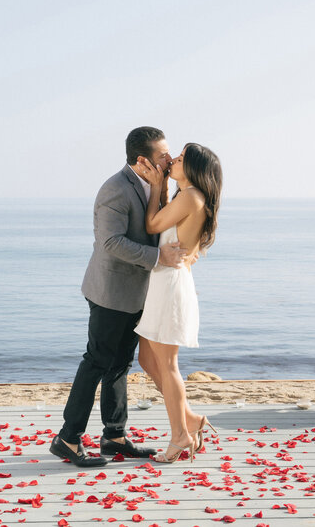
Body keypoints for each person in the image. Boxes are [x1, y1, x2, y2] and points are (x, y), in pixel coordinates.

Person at [50, 127, 187, 467]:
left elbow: (155, 224)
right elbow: (111, 243)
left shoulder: (154, 185)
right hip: (110, 292)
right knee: (96, 361)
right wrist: (159, 258)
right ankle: (67, 438)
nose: (168, 160)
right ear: (142, 161)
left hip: (136, 293)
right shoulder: (115, 189)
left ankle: (114, 435)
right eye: (162, 156)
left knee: (120, 366)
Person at [135, 143, 223, 463]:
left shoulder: (190, 196)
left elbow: (152, 225)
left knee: (168, 364)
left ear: (196, 168)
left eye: (182, 159)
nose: (174, 160)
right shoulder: (189, 197)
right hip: (164, 282)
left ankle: (179, 436)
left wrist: (158, 185)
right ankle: (190, 419)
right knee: (147, 358)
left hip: (168, 285)